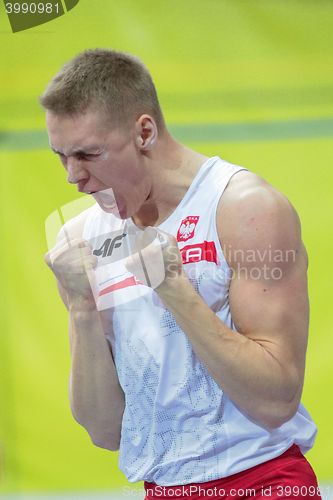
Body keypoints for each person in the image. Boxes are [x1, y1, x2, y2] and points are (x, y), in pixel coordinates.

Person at [42, 49, 322, 499]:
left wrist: (175, 290)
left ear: (144, 132)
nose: (73, 177)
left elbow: (275, 401)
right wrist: (81, 309)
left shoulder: (244, 208)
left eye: (88, 154)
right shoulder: (81, 240)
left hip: (263, 482)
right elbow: (107, 431)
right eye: (61, 156)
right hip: (163, 490)